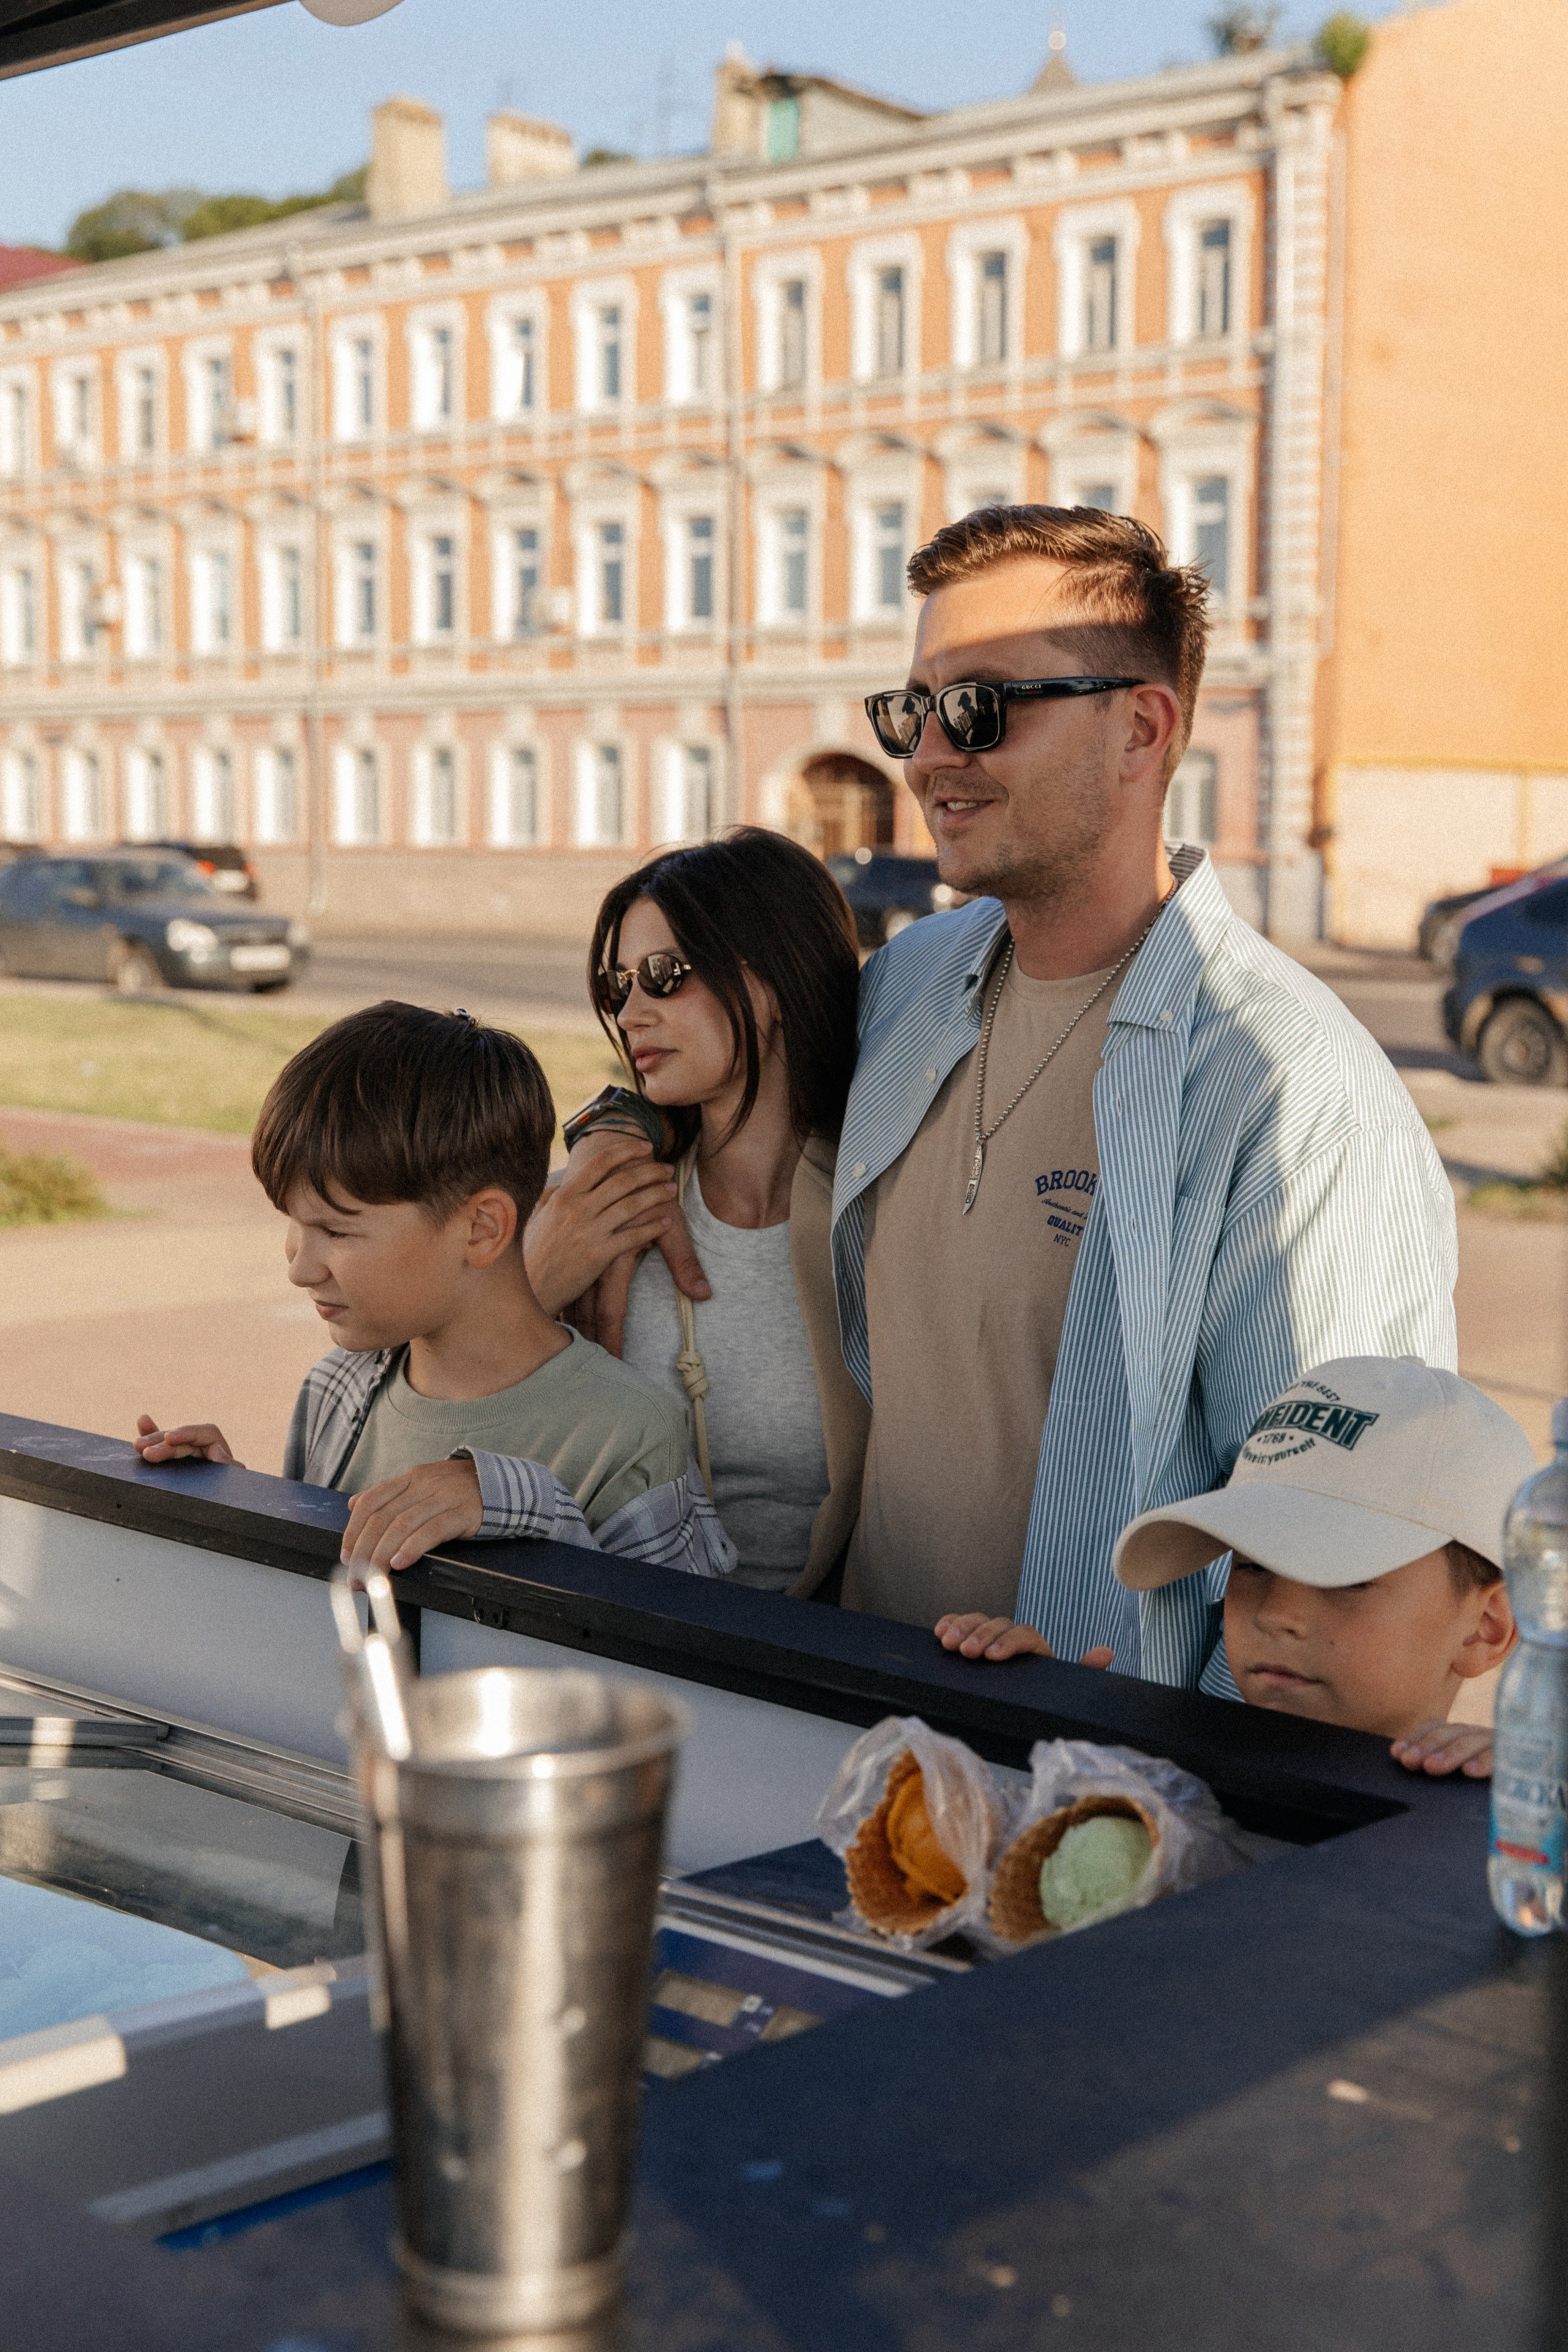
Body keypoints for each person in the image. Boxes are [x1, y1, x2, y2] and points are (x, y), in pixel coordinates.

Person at [811, 503, 1456, 1686]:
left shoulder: (1291, 1086)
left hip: (1093, 1767)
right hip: (851, 1719)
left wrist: (1143, 1781)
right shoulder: (904, 989)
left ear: (1141, 730)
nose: (929, 755)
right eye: (912, 710)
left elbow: (1335, 1543)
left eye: (980, 707)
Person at [134, 1000, 732, 1580]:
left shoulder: (630, 1436)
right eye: (294, 1222)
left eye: (335, 1230)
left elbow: (667, 1644)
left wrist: (516, 1503)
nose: (300, 1267)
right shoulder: (333, 1390)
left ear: (482, 1228)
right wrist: (241, 1504)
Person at [524, 830, 870, 1593]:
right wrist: (532, 1287)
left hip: (841, 1647)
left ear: (772, 978)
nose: (630, 1014)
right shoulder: (590, 1207)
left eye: (662, 975)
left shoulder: (882, 1207)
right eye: (618, 987)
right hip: (619, 1634)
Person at [935, 1357, 1531, 1780]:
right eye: (1250, 1566)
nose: (1276, 1613)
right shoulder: (1166, 1786)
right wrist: (1037, 1753)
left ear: (1485, 1629)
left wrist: (1530, 1803)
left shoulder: (1508, 1840)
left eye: (1346, 1575)